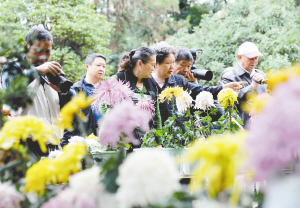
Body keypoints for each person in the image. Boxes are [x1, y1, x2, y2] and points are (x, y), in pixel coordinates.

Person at [1, 26, 75, 157]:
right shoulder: (13, 68)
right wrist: (38, 71)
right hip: (26, 148)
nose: (43, 56)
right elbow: (10, 90)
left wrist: (64, 92)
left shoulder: (50, 72)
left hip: (55, 148)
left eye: (47, 51)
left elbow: (74, 104)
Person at [149, 42, 246, 130]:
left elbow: (200, 91)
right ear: (156, 63)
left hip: (178, 136)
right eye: (168, 63)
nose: (172, 66)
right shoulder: (146, 82)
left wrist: (224, 88)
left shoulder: (178, 80)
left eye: (173, 63)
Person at [115, 47, 160, 147]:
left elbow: (157, 116)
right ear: (140, 64)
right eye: (152, 65)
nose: (153, 69)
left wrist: (159, 142)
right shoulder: (119, 79)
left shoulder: (152, 83)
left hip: (148, 140)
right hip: (124, 140)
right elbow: (104, 107)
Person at [61, 53, 106, 147]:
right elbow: (70, 120)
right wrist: (66, 145)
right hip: (84, 141)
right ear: (87, 66)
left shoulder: (109, 90)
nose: (101, 69)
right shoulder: (76, 89)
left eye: (104, 66)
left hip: (106, 140)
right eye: (98, 65)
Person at [221, 41, 267, 129]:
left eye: (256, 58)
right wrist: (251, 87)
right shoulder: (229, 76)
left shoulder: (261, 74)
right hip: (242, 127)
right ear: (240, 57)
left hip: (263, 126)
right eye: (251, 58)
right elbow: (230, 101)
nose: (254, 61)